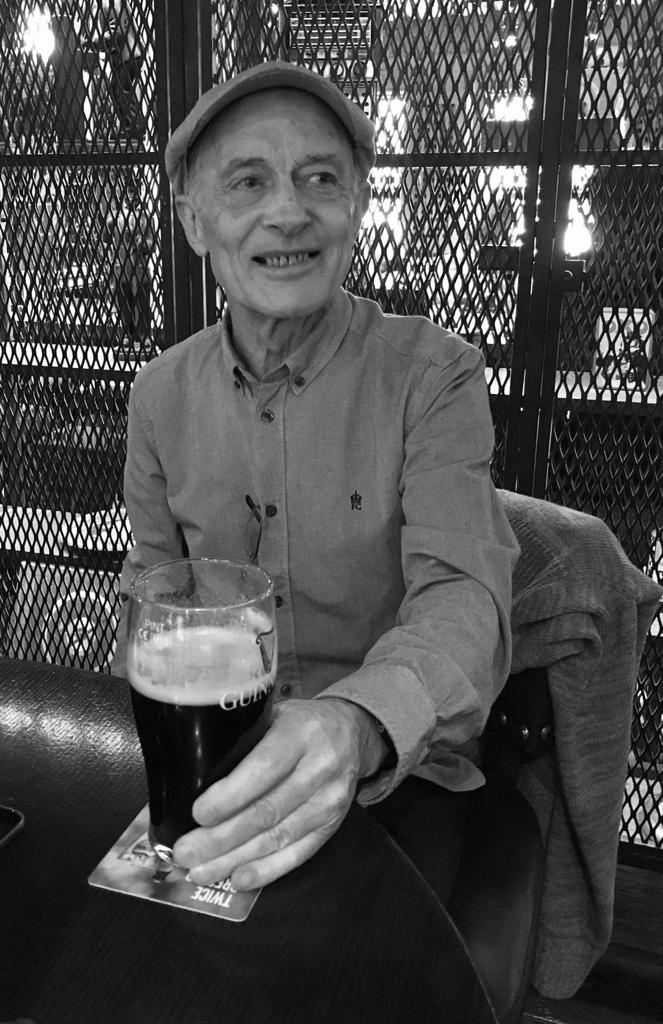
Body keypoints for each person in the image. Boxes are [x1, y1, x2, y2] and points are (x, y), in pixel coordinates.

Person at [112, 60, 519, 899]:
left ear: (356, 204)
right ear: (193, 221)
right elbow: (149, 586)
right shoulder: (158, 394)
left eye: (320, 179)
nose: (289, 211)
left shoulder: (434, 375)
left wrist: (355, 723)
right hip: (218, 762)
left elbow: (465, 596)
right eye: (248, 182)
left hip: (397, 775)